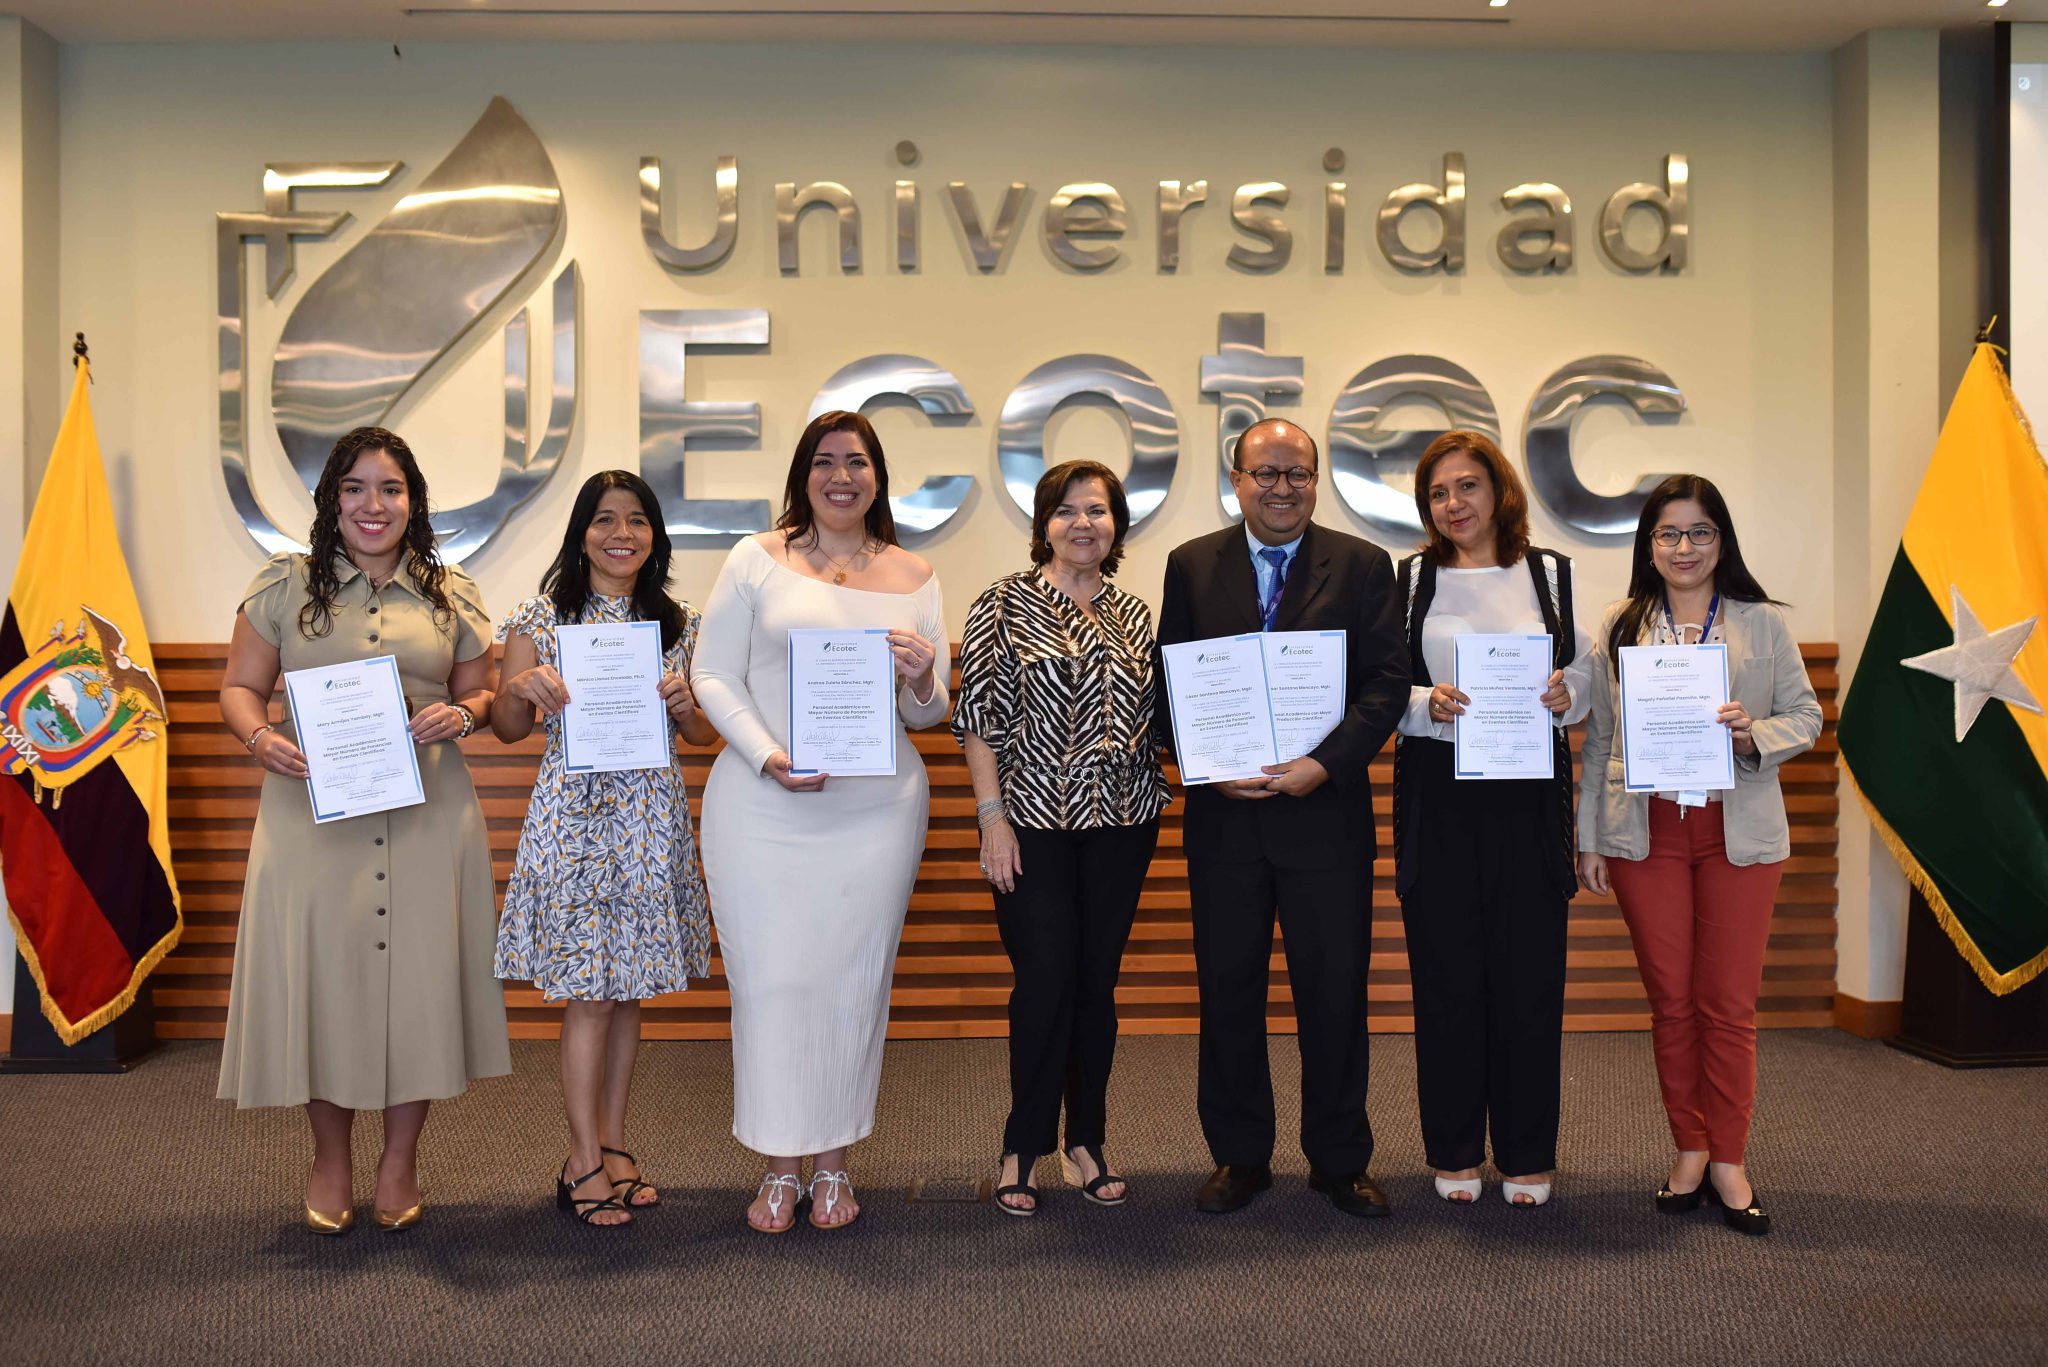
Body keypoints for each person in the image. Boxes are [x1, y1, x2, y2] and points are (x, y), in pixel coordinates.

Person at [216, 426, 507, 1235]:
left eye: (390, 489)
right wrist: (259, 735)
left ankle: (400, 1160)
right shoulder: (282, 586)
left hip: (427, 815)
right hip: (313, 818)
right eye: (354, 488)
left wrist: (465, 713)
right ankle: (331, 1159)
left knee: (418, 984)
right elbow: (239, 686)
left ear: (413, 502)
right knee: (327, 982)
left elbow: (482, 695)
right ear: (331, 501)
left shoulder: (454, 593)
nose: (372, 506)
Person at [692, 410, 948, 1234]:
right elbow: (711, 674)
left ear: (879, 476)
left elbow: (931, 715)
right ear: (805, 473)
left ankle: (833, 1167)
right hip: (762, 806)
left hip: (877, 811)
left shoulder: (916, 574)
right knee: (772, 986)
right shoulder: (755, 560)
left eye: (859, 462)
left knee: (852, 985)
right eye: (827, 461)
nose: (843, 476)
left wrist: (921, 679)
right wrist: (768, 753)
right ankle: (777, 1168)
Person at [1155, 417, 1410, 1219]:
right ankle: (1239, 1155)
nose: (1281, 487)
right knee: (1229, 993)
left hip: (1325, 818)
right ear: (1236, 479)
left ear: (1316, 480)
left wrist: (1321, 764)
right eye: (1265, 473)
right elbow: (1171, 685)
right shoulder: (1192, 565)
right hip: (1224, 824)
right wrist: (1206, 767)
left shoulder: (1365, 565)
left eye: (1297, 473)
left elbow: (1386, 686)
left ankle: (1340, 1160)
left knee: (1333, 996)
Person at [1576, 474, 1821, 1237]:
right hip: (1647, 834)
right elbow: (1601, 741)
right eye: (1668, 534)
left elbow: (1806, 716)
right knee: (1672, 1000)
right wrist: (1589, 835)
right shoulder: (1620, 624)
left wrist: (1755, 733)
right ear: (1648, 547)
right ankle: (1688, 1145)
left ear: (1722, 541)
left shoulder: (1762, 625)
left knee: (1727, 1004)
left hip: (1737, 834)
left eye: (1699, 532)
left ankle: (1729, 1158)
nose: (1684, 548)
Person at [490, 470, 718, 1227]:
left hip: (650, 818)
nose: (621, 533)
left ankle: (616, 1145)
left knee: (628, 994)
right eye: (604, 519)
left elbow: (700, 735)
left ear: (655, 536)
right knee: (589, 993)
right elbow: (508, 728)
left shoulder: (677, 622)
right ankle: (581, 1157)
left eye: (637, 521)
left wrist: (687, 706)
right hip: (576, 822)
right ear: (580, 531)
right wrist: (521, 687)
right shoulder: (540, 614)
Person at [953, 460, 1171, 1217]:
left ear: (1117, 525)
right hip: (1032, 826)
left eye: (1099, 510)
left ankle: (1088, 1140)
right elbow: (977, 718)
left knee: (1095, 988)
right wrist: (991, 820)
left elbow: (1166, 718)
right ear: (1044, 522)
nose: (1085, 523)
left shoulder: (1137, 614)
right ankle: (1022, 1145)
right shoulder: (1003, 605)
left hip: (1123, 823)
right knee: (1045, 980)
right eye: (1069, 510)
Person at [1390, 431, 1593, 1209]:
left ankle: (1529, 1154)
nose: (1454, 505)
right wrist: (1422, 702)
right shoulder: (1409, 579)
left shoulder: (1550, 574)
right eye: (1439, 493)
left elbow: (1586, 676)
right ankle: (1453, 1150)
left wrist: (1565, 693)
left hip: (1527, 791)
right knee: (1445, 977)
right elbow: (1382, 685)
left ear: (1498, 490)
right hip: (1438, 790)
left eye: (1467, 486)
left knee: (1529, 978)